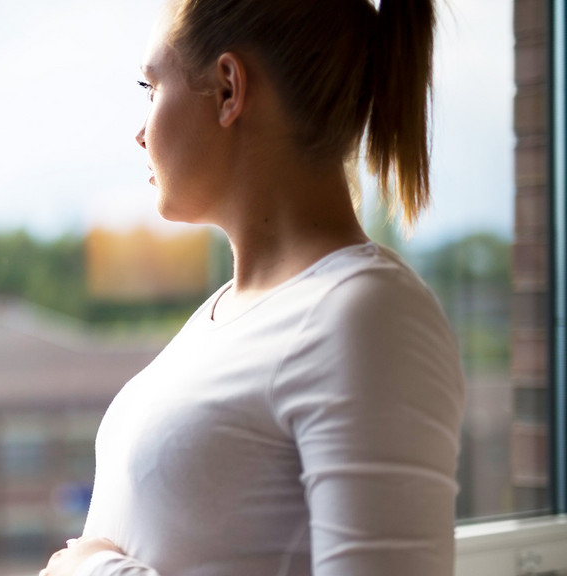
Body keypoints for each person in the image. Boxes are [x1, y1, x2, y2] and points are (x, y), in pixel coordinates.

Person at [41, 0, 465, 574]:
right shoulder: (227, 314)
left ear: (228, 89)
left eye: (150, 87)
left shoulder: (368, 316)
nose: (138, 133)